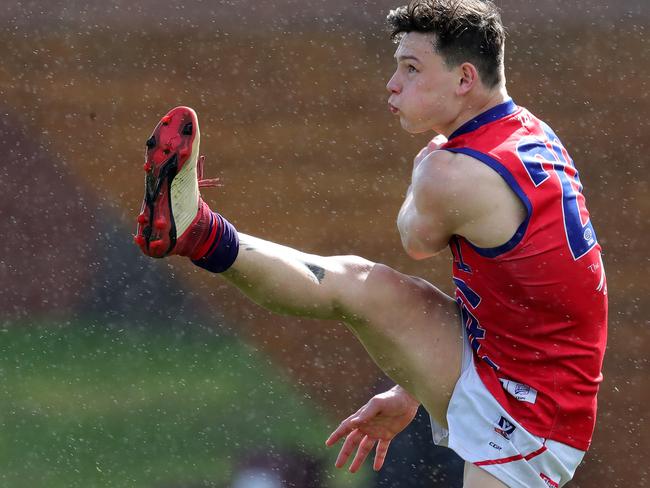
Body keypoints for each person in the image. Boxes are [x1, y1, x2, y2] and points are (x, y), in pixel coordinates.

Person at [133, 1, 607, 486]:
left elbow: (414, 239)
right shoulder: (527, 129)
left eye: (411, 68)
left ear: (464, 79)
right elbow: (526, 300)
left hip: (531, 410)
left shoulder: (451, 173)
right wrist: (412, 388)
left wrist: (426, 168)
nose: (393, 83)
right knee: (359, 285)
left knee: (357, 290)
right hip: (504, 359)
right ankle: (198, 231)